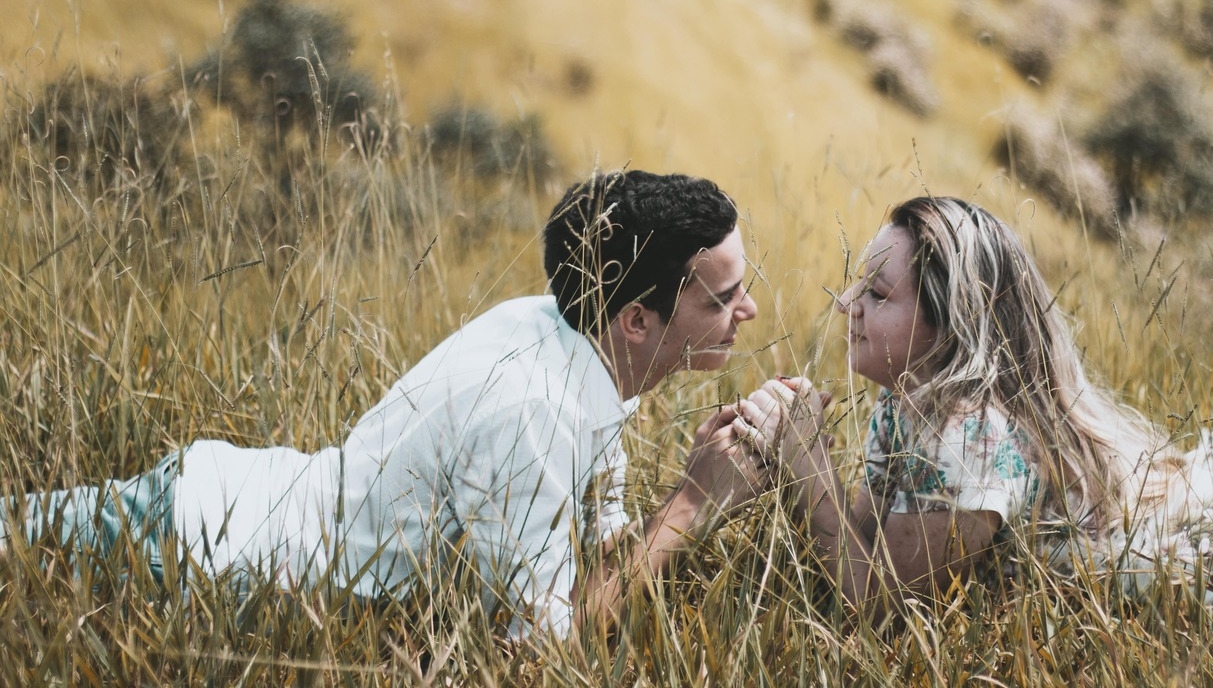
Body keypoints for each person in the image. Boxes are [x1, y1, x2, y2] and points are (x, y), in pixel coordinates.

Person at [6, 170, 766, 639]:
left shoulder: (564, 336)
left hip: (215, 509)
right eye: (724, 298)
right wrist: (694, 500)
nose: (751, 311)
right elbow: (545, 647)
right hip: (195, 554)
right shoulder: (537, 409)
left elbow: (583, 564)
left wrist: (682, 495)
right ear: (635, 319)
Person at [735, 195, 1213, 620]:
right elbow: (861, 535)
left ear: (953, 324)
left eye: (877, 294)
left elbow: (874, 598)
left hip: (1196, 541)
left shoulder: (978, 433)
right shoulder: (904, 403)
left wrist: (806, 464)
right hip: (1163, 509)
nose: (846, 306)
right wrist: (784, 457)